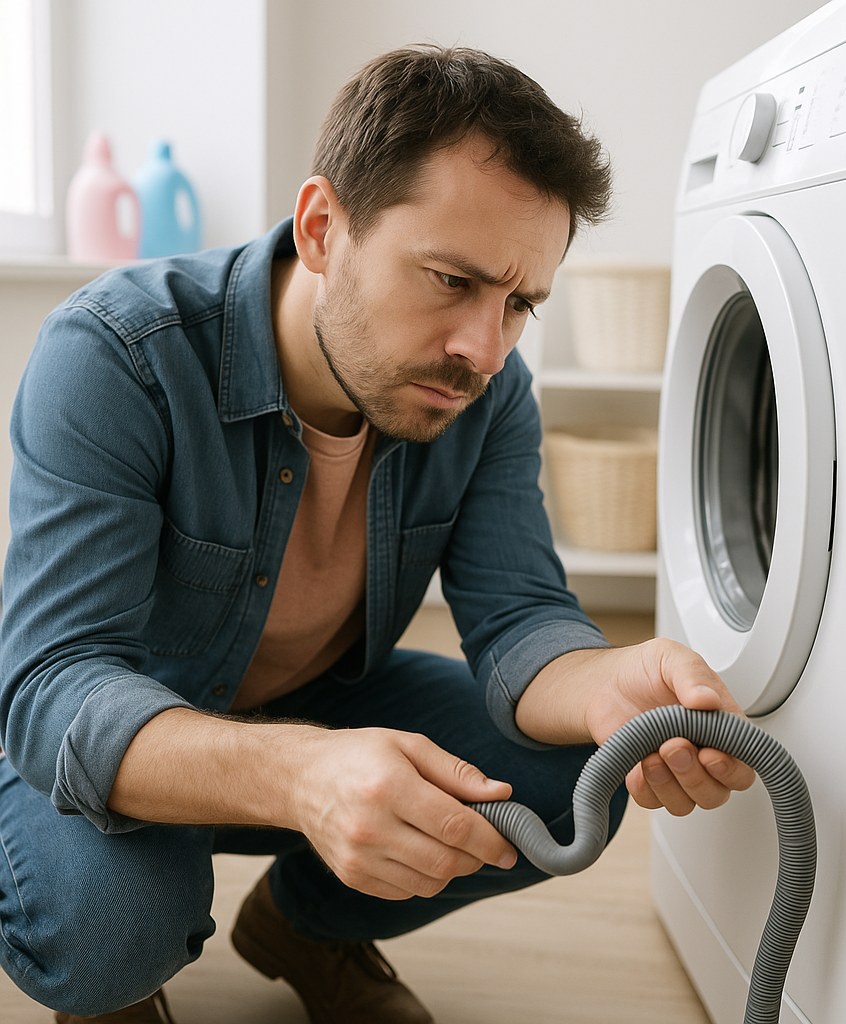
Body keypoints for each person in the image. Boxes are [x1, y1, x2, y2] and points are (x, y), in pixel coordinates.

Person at [0, 44, 753, 1024]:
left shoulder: (486, 393)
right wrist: (302, 771)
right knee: (107, 926)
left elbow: (518, 614)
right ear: (322, 228)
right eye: (450, 280)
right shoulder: (116, 356)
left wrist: (610, 685)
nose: (483, 348)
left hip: (318, 698)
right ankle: (119, 979)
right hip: (122, 737)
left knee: (575, 780)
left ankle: (304, 926)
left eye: (518, 304)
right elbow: (54, 689)